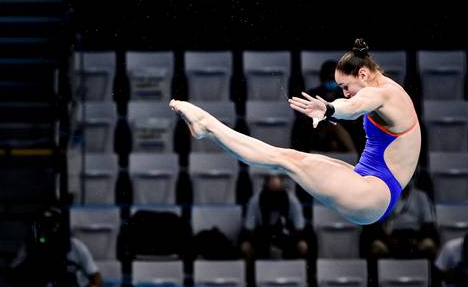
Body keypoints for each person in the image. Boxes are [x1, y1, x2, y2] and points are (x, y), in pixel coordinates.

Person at [170, 38, 421, 225]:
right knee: (290, 158)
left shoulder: (382, 93)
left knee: (284, 160)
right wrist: (333, 110)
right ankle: (208, 127)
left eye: (345, 86)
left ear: (363, 74)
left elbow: (354, 106)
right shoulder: (388, 90)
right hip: (371, 185)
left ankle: (208, 127)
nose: (343, 92)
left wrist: (330, 108)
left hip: (372, 194)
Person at [9, 207, 102, 287]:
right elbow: (13, 274)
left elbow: (95, 274)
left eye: (52, 223)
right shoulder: (30, 246)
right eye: (45, 223)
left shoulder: (74, 246)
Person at [294, 59, 360, 153]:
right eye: (328, 78)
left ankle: (353, 154)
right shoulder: (313, 94)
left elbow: (352, 115)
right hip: (318, 132)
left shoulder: (347, 95)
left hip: (344, 131)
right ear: (322, 78)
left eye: (333, 78)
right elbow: (305, 115)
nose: (330, 81)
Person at [240, 174, 309, 259]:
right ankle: (255, 270)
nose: (273, 183)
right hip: (264, 235)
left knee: (303, 245)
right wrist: (248, 241)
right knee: (246, 246)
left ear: (282, 182)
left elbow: (299, 226)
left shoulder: (292, 200)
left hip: (285, 234)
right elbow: (250, 227)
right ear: (265, 183)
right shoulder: (255, 200)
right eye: (271, 179)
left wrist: (300, 240)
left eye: (276, 179)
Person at [362, 185, 438, 259]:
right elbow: (376, 224)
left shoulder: (421, 196)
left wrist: (417, 239)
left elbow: (429, 224)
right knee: (377, 247)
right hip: (391, 238)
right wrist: (387, 239)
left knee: (429, 245)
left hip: (415, 238)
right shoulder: (386, 195)